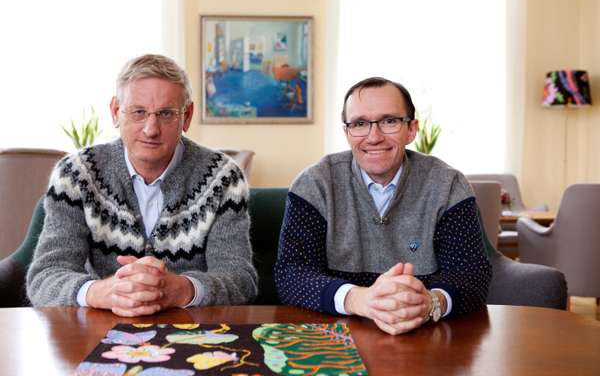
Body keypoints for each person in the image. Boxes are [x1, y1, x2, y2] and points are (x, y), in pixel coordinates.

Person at [26, 54, 257, 316]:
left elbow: (241, 280)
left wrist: (182, 289)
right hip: (98, 330)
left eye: (166, 114)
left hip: (193, 336)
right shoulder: (76, 174)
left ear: (187, 116)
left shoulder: (223, 178)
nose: (151, 129)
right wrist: (101, 292)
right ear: (115, 112)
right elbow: (44, 278)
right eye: (138, 112)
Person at [275, 77, 491, 335]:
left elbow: (472, 274)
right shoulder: (314, 185)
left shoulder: (448, 185)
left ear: (412, 129)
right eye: (360, 124)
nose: (373, 137)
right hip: (333, 337)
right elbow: (290, 273)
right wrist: (361, 300)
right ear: (347, 133)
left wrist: (429, 303)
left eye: (389, 121)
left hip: (426, 335)